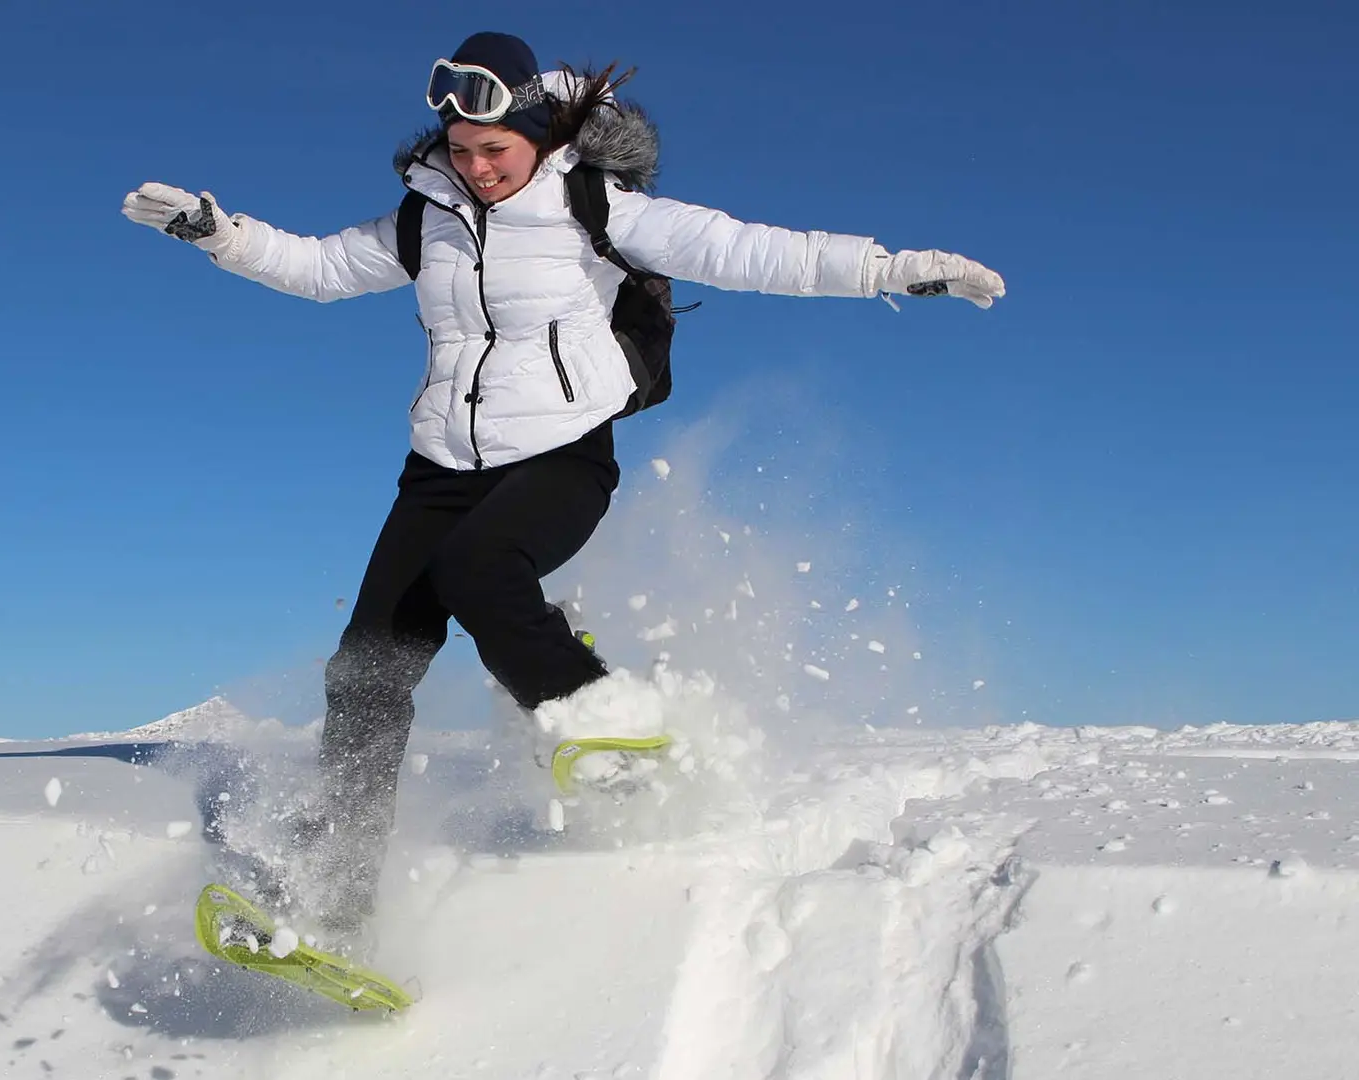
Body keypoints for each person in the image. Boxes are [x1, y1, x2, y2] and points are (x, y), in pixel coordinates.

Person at [123, 31, 1004, 936]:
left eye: (494, 152)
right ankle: (342, 891)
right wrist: (217, 234)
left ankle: (600, 710)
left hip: (561, 451)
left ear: (538, 135)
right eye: (461, 153)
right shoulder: (424, 217)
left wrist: (890, 269)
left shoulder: (594, 206)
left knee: (481, 572)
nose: (477, 169)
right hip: (440, 467)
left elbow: (748, 250)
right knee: (365, 674)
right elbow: (317, 269)